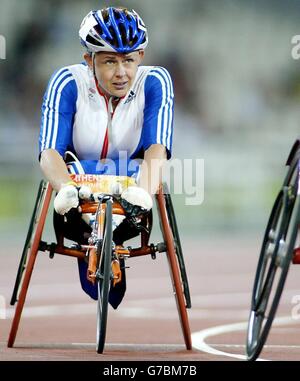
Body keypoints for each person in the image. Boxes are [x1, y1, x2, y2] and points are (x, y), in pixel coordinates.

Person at [38, 7, 174, 307]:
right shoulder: (67, 81)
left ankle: (111, 248)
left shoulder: (156, 82)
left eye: (128, 60)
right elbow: (48, 151)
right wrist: (65, 187)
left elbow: (157, 149)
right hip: (78, 190)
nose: (121, 72)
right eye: (110, 61)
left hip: (131, 192)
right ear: (89, 60)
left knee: (142, 186)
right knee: (77, 213)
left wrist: (144, 191)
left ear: (140, 56)